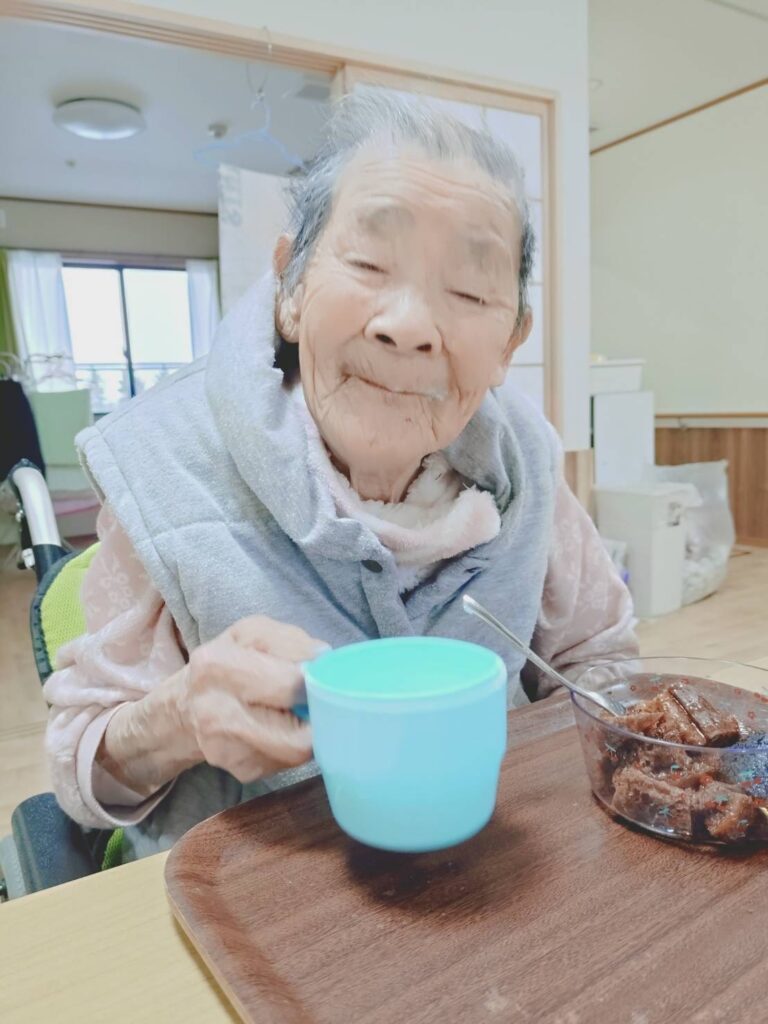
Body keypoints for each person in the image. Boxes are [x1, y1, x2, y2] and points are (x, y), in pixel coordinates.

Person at [44, 92, 637, 862]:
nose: (408, 326)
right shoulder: (167, 459)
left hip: (489, 872)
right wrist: (176, 718)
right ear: (291, 288)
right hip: (254, 898)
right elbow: (80, 773)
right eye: (367, 263)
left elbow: (601, 660)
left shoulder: (525, 457)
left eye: (467, 292)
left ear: (509, 344)